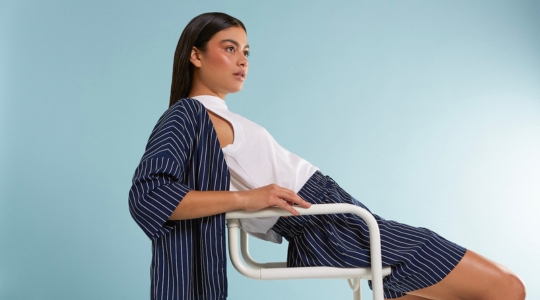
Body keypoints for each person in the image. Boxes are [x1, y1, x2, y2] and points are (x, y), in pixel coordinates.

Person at [129, 12, 525, 300]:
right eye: (229, 48)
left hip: (339, 217)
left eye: (246, 51)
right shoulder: (190, 115)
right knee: (508, 288)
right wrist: (248, 198)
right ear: (195, 56)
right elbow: (150, 196)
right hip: (330, 225)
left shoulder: (215, 116)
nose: (242, 60)